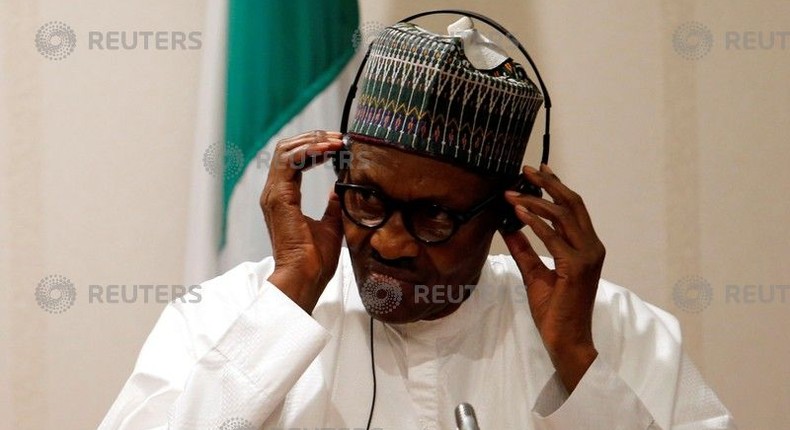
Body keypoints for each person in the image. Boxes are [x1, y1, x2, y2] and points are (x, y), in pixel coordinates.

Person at [100, 19, 736, 430]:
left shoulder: (617, 332)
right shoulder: (224, 315)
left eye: (434, 215)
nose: (390, 242)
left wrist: (576, 360)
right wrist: (287, 300)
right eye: (367, 198)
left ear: (506, 213)